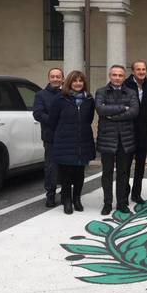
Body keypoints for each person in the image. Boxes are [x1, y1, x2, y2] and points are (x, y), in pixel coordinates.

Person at [49, 71, 95, 214]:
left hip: (83, 142)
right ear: (69, 82)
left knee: (79, 173)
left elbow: (89, 120)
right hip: (65, 142)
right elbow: (52, 121)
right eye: (75, 81)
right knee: (66, 174)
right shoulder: (60, 99)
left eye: (80, 81)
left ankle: (77, 199)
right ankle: (67, 200)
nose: (78, 83)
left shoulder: (89, 100)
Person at [95, 65, 139, 214]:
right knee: (107, 173)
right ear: (110, 76)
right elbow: (101, 109)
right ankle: (107, 203)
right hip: (107, 138)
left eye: (120, 75)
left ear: (124, 77)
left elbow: (134, 112)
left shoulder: (131, 92)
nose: (117, 78)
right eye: (114, 75)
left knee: (123, 173)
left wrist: (112, 115)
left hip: (125, 140)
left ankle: (121, 203)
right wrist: (123, 107)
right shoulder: (101, 92)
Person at [124, 60, 147, 204]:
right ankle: (123, 194)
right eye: (138, 69)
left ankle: (136, 194)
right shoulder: (125, 84)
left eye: (143, 69)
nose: (141, 71)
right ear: (133, 71)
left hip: (144, 131)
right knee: (125, 166)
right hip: (128, 132)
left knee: (140, 166)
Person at [33, 67, 64, 207]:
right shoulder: (41, 95)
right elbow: (37, 113)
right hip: (50, 136)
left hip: (66, 136)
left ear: (62, 78)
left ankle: (65, 193)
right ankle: (50, 195)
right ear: (49, 78)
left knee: (66, 166)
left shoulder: (67, 93)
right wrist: (53, 120)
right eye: (53, 76)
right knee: (51, 167)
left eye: (58, 76)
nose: (55, 79)